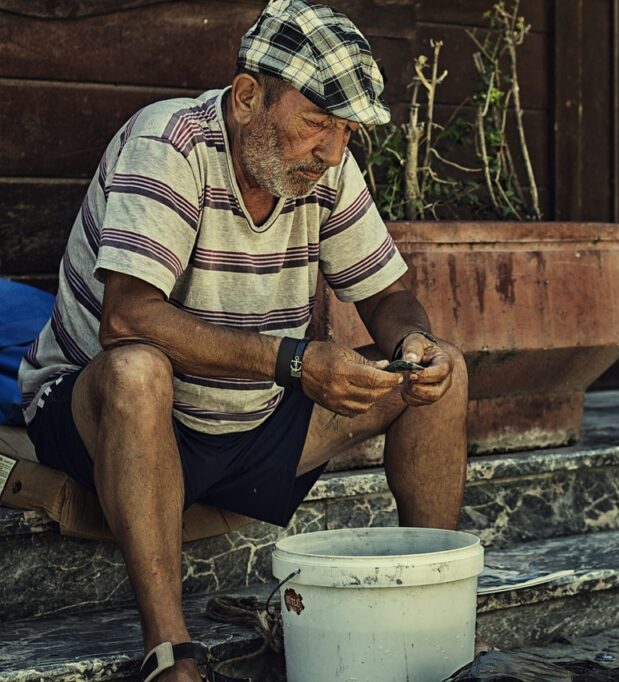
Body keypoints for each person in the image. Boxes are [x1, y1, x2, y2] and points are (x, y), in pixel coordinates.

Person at [17, 1, 468, 679]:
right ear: (248, 96)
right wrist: (296, 363)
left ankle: (433, 617)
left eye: (346, 130)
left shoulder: (326, 168)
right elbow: (127, 318)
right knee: (138, 370)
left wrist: (413, 343)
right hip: (114, 421)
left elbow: (387, 297)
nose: (333, 151)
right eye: (317, 123)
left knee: (442, 373)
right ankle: (170, 653)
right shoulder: (171, 143)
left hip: (248, 423)